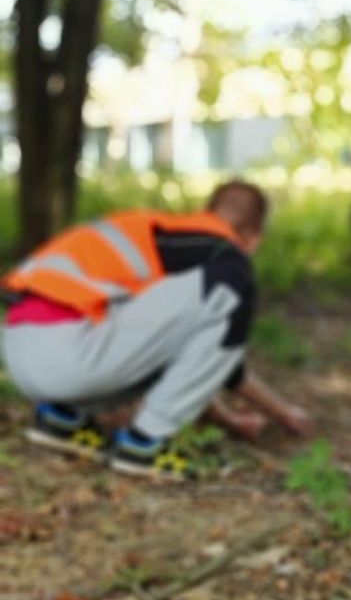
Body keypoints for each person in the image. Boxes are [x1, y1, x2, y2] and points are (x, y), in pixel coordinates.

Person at [1, 179, 311, 477]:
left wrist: (229, 420)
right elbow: (223, 361)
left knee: (215, 300)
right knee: (233, 286)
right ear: (254, 238)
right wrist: (283, 414)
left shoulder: (164, 237)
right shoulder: (222, 256)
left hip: (22, 350)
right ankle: (145, 445)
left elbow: (189, 355)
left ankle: (61, 419)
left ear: (207, 211)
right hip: (67, 348)